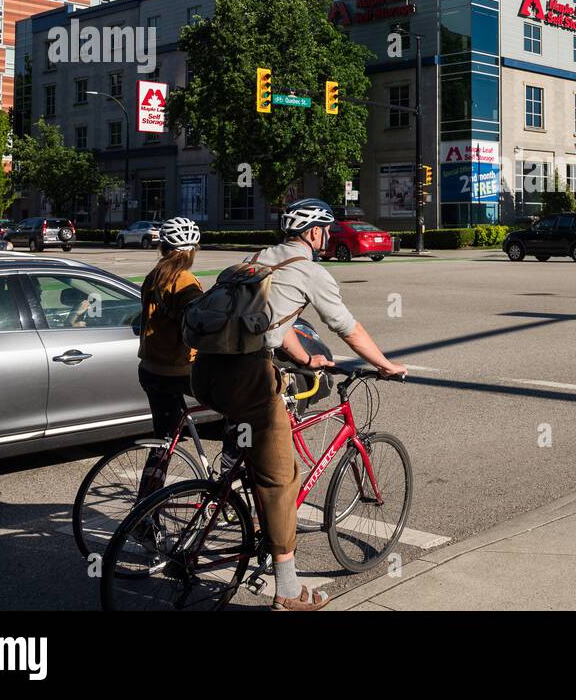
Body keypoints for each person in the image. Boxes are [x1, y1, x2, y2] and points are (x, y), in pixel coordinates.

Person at [191, 198, 405, 611]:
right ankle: (288, 591)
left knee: (252, 450)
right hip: (246, 376)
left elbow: (275, 322)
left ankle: (244, 506)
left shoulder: (254, 261)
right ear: (312, 233)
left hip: (205, 374)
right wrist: (385, 365)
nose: (329, 237)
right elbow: (348, 328)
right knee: (282, 478)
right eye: (326, 229)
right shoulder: (309, 271)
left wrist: (307, 359)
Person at [136, 217, 205, 499]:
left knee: (163, 443)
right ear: (191, 251)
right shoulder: (186, 282)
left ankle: (145, 510)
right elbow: (199, 327)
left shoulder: (153, 277)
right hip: (180, 371)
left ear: (163, 247)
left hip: (151, 369)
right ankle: (227, 479)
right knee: (242, 411)